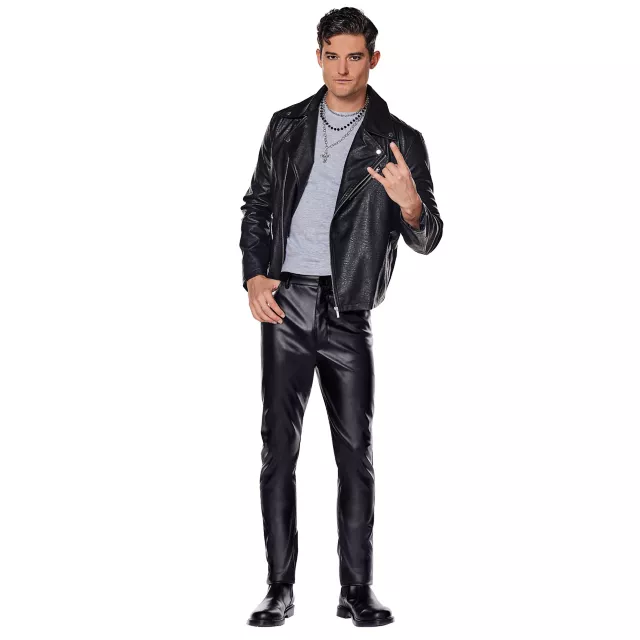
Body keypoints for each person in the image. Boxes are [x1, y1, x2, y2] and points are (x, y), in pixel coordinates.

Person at [240, 7, 443, 628]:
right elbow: (257, 205)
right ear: (318, 56)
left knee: (356, 453)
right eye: (332, 56)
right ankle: (279, 587)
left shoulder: (399, 139)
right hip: (286, 303)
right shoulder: (286, 125)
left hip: (349, 309)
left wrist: (409, 204)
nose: (343, 69)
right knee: (279, 450)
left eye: (355, 57)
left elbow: (429, 236)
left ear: (373, 60)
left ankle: (357, 588)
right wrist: (254, 275)